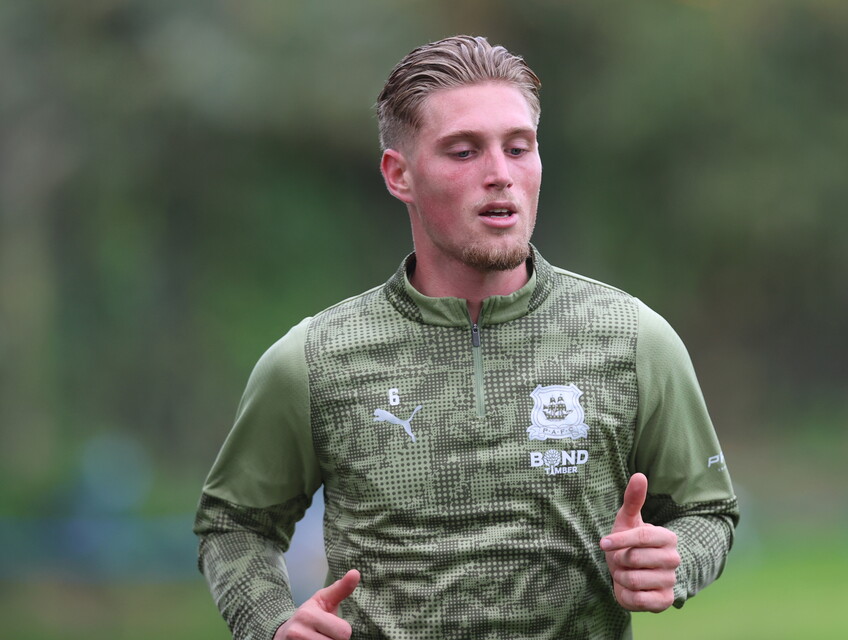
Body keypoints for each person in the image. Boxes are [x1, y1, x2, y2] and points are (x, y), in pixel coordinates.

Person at [194, 35, 739, 640]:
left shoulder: (635, 339)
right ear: (399, 174)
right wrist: (270, 623)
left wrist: (675, 561)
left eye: (518, 147)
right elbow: (234, 524)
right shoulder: (312, 360)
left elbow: (706, 512)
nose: (500, 175)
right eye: (463, 151)